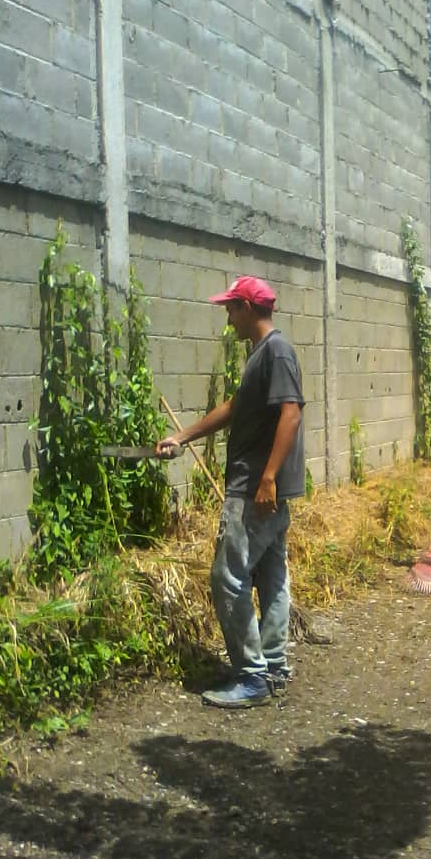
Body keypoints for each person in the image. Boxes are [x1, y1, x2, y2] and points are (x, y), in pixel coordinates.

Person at [157, 275, 305, 708]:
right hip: (264, 488)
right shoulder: (262, 355)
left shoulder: (276, 351)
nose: (227, 318)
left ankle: (252, 676)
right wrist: (182, 436)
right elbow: (234, 409)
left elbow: (291, 414)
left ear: (246, 306)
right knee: (273, 574)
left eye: (230, 308)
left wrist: (267, 477)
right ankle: (273, 666)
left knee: (228, 576)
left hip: (255, 488)